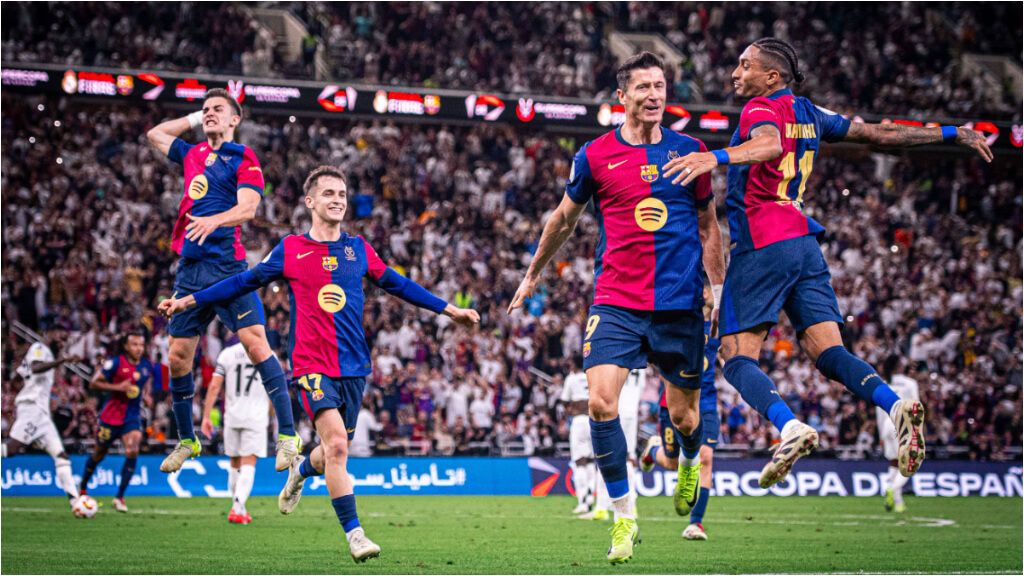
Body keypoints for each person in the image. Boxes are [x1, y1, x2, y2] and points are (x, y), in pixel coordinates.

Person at [663, 37, 992, 488]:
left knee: (735, 358)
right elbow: (880, 133)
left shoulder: (760, 110)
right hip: (804, 244)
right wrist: (954, 132)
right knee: (828, 352)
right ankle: (894, 404)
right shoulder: (812, 113)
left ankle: (790, 427)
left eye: (744, 66)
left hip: (763, 242)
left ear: (771, 77)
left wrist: (713, 157)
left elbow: (768, 145)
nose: (735, 73)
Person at [159, 165, 480, 562]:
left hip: (354, 367)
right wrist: (189, 301)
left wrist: (449, 310)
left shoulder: (358, 249)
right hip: (311, 366)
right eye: (329, 193)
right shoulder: (291, 249)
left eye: (342, 194)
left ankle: (300, 473)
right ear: (310, 201)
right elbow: (242, 282)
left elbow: (398, 284)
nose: (338, 200)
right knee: (339, 446)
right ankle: (356, 535)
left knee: (330, 451)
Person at [508, 51, 726, 564]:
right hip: (617, 301)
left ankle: (689, 457)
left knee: (685, 417)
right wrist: (533, 271)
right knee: (602, 403)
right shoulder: (595, 156)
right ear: (622, 97)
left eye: (661, 86)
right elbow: (562, 220)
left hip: (678, 304)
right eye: (644, 87)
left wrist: (717, 284)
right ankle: (625, 517)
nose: (655, 95)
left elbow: (709, 223)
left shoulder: (691, 152)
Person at [146, 88, 300, 473]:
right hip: (190, 269)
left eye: (218, 110)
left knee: (255, 344)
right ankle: (187, 441)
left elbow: (249, 208)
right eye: (206, 110)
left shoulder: (242, 157)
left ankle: (288, 435)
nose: (210, 113)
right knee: (178, 358)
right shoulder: (194, 154)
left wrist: (214, 220)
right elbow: (156, 135)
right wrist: (196, 119)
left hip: (228, 268)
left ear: (236, 119)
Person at [641, 287, 721, 540]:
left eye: (709, 287)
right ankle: (653, 451)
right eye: (703, 287)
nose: (706, 292)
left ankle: (695, 523)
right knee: (674, 463)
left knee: (705, 458)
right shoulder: (680, 320)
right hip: (672, 403)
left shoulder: (720, 326)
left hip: (706, 403)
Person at [2, 325, 82, 511]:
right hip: (32, 408)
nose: (61, 340)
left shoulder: (47, 353)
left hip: (42, 413)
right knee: (11, 449)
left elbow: (18, 377)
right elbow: (36, 368)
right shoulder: (40, 348)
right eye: (59, 336)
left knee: (61, 456)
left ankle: (75, 501)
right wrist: (63, 360)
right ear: (48, 333)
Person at [79, 331, 154, 512]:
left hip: (131, 417)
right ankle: (82, 487)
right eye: (134, 345)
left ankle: (119, 497)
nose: (138, 348)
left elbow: (144, 384)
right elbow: (93, 383)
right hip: (111, 417)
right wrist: (117, 387)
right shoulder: (115, 363)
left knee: (133, 449)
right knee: (99, 453)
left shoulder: (145, 366)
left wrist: (146, 396)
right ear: (126, 346)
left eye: (141, 345)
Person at [201, 337, 269, 525]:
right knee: (249, 461)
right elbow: (274, 389)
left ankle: (239, 507)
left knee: (235, 462)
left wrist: (206, 416)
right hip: (255, 416)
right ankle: (238, 507)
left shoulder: (227, 354)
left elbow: (215, 386)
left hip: (232, 416)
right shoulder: (265, 352)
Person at [876, 356, 920, 513]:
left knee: (895, 463)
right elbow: (915, 406)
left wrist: (881, 435)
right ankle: (892, 488)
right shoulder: (910, 383)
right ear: (899, 366)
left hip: (888, 424)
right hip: (904, 424)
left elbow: (879, 410)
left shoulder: (884, 385)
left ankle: (899, 503)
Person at [559, 355, 594, 515]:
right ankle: (592, 497)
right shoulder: (592, 375)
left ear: (573, 364)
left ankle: (582, 502)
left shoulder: (571, 379)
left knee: (580, 461)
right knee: (592, 461)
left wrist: (569, 410)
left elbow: (564, 401)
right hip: (595, 419)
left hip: (579, 421)